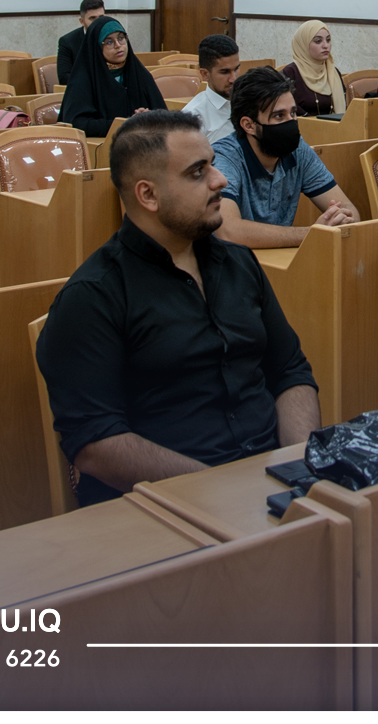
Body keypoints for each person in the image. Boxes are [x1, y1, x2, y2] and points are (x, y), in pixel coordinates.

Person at [35, 110, 319, 506]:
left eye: (213, 165)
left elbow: (290, 371)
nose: (220, 181)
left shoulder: (239, 263)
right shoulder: (93, 296)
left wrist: (300, 466)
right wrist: (226, 493)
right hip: (161, 506)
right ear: (148, 195)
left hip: (269, 484)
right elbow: (96, 442)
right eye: (197, 172)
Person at [212, 67, 360, 247]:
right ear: (248, 125)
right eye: (279, 116)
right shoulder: (224, 158)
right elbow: (227, 231)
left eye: (293, 113)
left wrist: (342, 220)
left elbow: (349, 210)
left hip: (280, 259)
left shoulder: (298, 150)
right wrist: (312, 234)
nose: (291, 122)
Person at [57, 17, 164, 138]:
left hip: (144, 143)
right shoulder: (82, 80)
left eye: (121, 38)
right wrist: (124, 124)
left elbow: (163, 114)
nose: (118, 45)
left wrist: (149, 117)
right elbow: (77, 124)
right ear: (97, 46)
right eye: (109, 42)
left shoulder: (140, 74)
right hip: (103, 145)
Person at [181, 33, 241, 145]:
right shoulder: (193, 117)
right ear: (205, 74)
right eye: (225, 72)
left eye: (236, 69)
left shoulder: (249, 100)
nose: (233, 79)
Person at [282, 19, 347, 117]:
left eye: (328, 40)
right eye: (318, 41)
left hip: (335, 125)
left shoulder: (333, 72)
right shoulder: (290, 73)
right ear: (303, 44)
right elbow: (288, 110)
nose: (326, 46)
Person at [55, 0, 107, 86]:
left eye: (101, 17)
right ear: (82, 21)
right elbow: (64, 78)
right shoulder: (68, 41)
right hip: (84, 90)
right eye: (92, 18)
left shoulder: (113, 38)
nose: (98, 22)